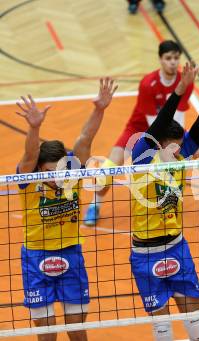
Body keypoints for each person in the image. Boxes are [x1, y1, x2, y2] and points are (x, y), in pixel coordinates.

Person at [129, 60, 199, 341]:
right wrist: (179, 89)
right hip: (145, 253)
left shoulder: (176, 157)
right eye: (173, 148)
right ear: (159, 143)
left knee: (194, 317)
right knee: (162, 328)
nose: (180, 154)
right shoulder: (143, 155)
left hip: (176, 246)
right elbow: (160, 122)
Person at [84, 40, 199, 226]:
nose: (172, 62)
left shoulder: (185, 79)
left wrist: (183, 145)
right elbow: (155, 125)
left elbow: (178, 119)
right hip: (140, 129)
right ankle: (95, 204)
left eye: (176, 58)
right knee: (108, 168)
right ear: (160, 59)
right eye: (168, 58)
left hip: (172, 130)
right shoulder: (148, 84)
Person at [15, 78, 118, 341]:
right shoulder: (28, 179)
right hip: (36, 259)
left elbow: (85, 139)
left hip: (71, 254)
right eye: (49, 172)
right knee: (47, 334)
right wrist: (34, 127)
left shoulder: (72, 174)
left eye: (59, 171)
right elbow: (28, 155)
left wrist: (100, 109)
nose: (55, 177)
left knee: (76, 330)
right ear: (39, 168)